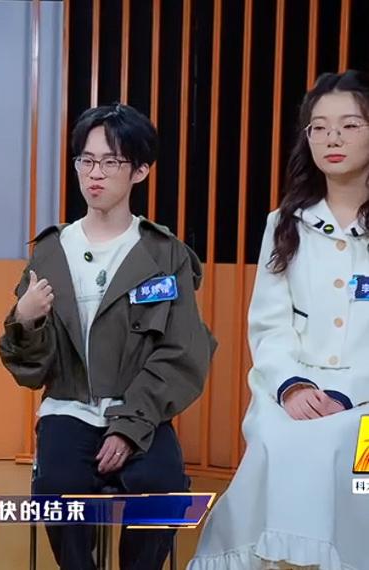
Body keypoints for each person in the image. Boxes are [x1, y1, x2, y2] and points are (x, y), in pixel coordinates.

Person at [0, 103, 216, 570]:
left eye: (111, 161)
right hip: (68, 408)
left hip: (141, 409)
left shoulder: (166, 254)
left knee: (162, 490)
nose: (95, 173)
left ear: (140, 171)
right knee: (56, 489)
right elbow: (29, 370)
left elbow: (181, 353)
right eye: (86, 160)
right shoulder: (51, 251)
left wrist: (129, 427)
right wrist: (25, 320)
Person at [188, 70, 369, 570]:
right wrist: (291, 386)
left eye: (349, 125)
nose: (332, 138)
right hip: (293, 391)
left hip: (365, 401)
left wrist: (348, 394)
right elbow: (269, 325)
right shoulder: (285, 223)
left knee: (353, 463)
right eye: (319, 127)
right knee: (276, 442)